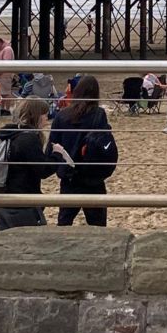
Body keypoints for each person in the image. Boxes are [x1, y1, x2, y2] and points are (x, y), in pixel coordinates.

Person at [51, 75, 116, 226]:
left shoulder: (62, 115)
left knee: (64, 222)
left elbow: (52, 144)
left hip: (69, 176)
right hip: (92, 176)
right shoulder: (98, 114)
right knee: (98, 224)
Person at [0, 97, 50, 229]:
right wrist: (57, 155)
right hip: (22, 203)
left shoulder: (10, 133)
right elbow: (43, 170)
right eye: (44, 114)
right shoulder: (28, 139)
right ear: (36, 116)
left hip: (3, 201)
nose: (47, 118)